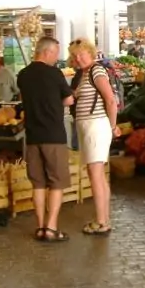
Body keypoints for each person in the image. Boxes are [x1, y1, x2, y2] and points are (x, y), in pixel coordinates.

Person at [17, 37, 75, 242]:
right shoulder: (54, 74)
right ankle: (51, 228)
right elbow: (69, 99)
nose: (57, 57)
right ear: (47, 52)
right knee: (57, 182)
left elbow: (25, 101)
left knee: (38, 183)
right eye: (56, 53)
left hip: (32, 136)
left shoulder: (23, 75)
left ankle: (40, 226)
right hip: (54, 136)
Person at [70, 38, 120, 235]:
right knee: (96, 174)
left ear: (90, 53)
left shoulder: (96, 70)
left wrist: (113, 125)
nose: (78, 58)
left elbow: (110, 99)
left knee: (96, 174)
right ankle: (104, 218)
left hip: (96, 126)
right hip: (90, 126)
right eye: (75, 55)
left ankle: (101, 222)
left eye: (81, 54)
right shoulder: (84, 74)